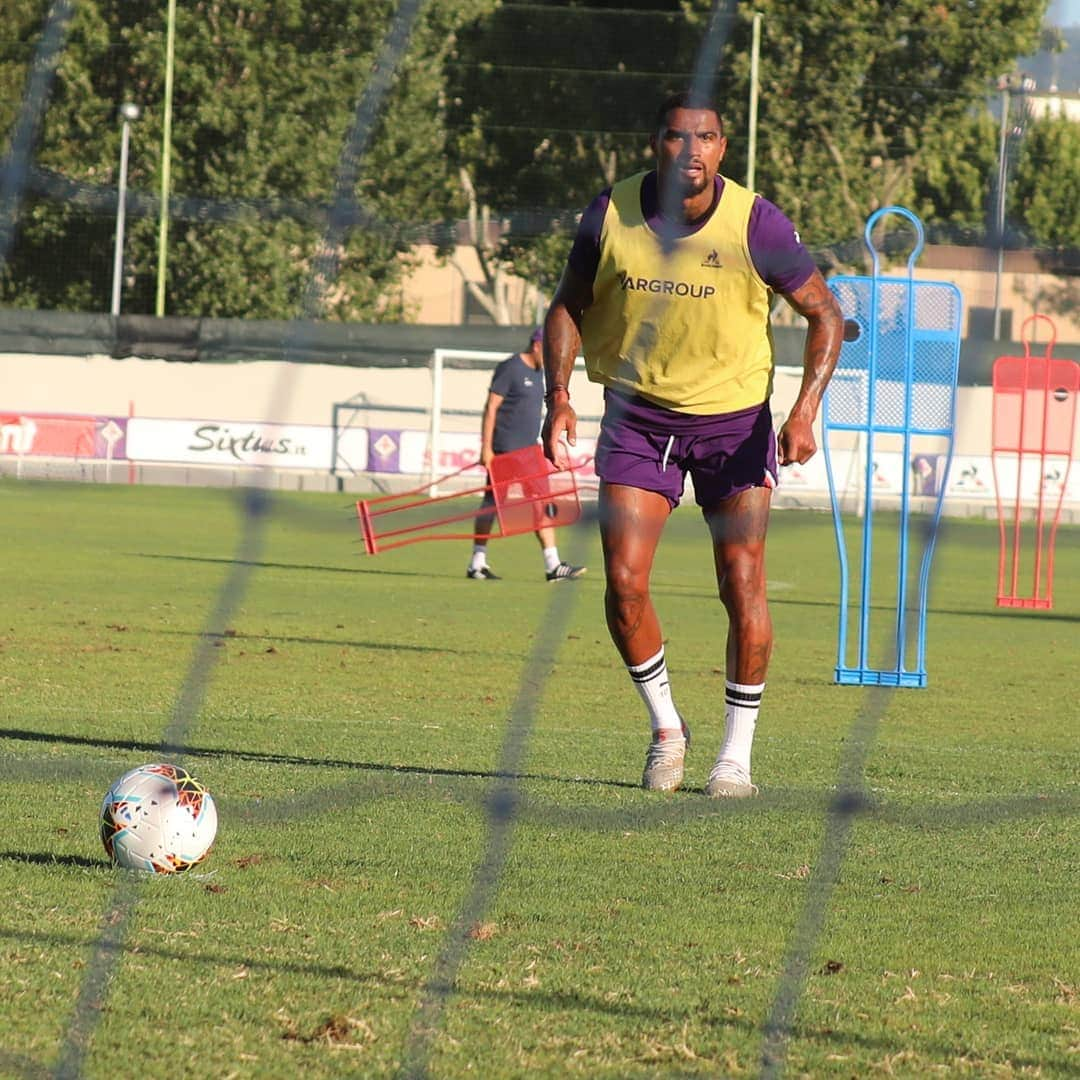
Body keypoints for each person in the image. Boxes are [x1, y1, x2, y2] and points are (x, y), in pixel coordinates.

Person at [541, 90, 842, 797]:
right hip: (637, 417)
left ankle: (735, 757)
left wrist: (804, 411)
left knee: (741, 581)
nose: (693, 151)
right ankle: (668, 730)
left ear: (723, 148)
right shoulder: (609, 214)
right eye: (678, 137)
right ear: (656, 144)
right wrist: (558, 396)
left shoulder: (756, 223)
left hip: (734, 422)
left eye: (706, 138)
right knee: (622, 586)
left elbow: (824, 314)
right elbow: (566, 305)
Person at [467, 327, 587, 583]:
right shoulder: (510, 368)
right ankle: (477, 562)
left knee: (542, 502)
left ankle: (553, 565)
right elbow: (491, 408)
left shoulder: (542, 374)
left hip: (529, 451)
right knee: (492, 505)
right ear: (536, 346)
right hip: (505, 451)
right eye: (549, 349)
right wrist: (486, 447)